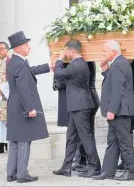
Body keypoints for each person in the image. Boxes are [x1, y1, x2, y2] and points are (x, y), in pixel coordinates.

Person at [5, 31, 52, 183]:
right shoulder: (19, 63)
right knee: (24, 139)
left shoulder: (15, 61)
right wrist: (30, 108)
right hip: (21, 106)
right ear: (18, 48)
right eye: (26, 45)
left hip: (14, 104)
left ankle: (11, 173)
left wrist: (48, 67)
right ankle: (22, 174)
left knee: (14, 140)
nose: (29, 47)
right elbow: (23, 88)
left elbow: (30, 71)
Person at [52, 40, 101, 178]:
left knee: (86, 137)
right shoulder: (78, 64)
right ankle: (66, 167)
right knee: (71, 137)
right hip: (77, 106)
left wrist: (59, 59)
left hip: (80, 106)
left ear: (72, 51)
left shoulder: (77, 64)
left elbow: (59, 74)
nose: (65, 53)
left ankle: (94, 167)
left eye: (66, 51)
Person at [93, 40, 134, 181]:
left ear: (113, 51)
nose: (103, 53)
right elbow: (114, 83)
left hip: (120, 111)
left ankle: (130, 172)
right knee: (112, 142)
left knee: (124, 143)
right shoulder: (119, 64)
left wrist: (112, 110)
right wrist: (106, 70)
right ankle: (108, 171)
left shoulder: (119, 65)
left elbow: (118, 90)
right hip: (119, 111)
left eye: (105, 50)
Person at [72, 61, 100, 172]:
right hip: (91, 99)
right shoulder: (88, 61)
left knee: (86, 134)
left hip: (88, 100)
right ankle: (82, 161)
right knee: (85, 133)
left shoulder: (83, 63)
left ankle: (91, 163)